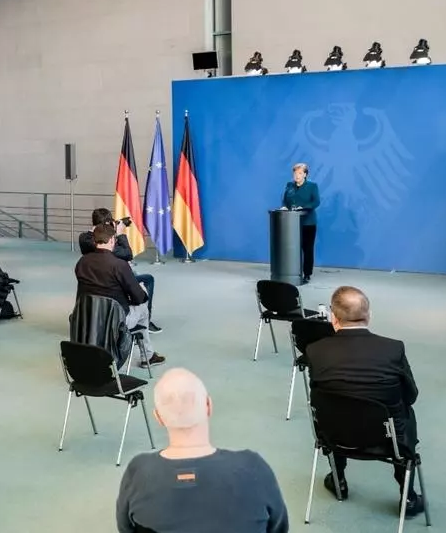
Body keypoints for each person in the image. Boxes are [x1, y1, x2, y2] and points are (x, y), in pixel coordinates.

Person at [116, 368, 289, 533]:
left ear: (159, 417)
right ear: (208, 405)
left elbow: (126, 528)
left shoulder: (138, 472)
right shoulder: (254, 468)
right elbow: (278, 528)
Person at [304, 286, 424, 518]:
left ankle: (338, 479)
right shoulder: (393, 348)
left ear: (333, 317)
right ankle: (408, 497)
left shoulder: (315, 350)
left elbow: (316, 393)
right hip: (389, 439)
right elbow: (411, 396)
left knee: (335, 407)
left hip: (335, 435)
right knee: (402, 413)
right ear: (368, 315)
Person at [75, 223, 164, 367]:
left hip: (89, 317)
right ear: (111, 240)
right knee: (143, 309)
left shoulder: (81, 262)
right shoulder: (118, 265)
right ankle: (147, 356)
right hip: (116, 320)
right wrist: (142, 294)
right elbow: (138, 297)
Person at [79, 208, 161, 333]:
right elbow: (127, 254)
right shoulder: (104, 243)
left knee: (134, 274)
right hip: (111, 277)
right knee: (147, 280)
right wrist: (121, 234)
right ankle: (145, 323)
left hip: (94, 276)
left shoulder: (84, 240)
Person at [281, 162, 320, 283]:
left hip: (307, 223)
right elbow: (285, 200)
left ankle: (307, 274)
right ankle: (291, 272)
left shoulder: (312, 186)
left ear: (305, 174)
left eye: (299, 173)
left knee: (307, 249)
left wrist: (303, 207)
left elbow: (316, 202)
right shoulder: (289, 185)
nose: (297, 176)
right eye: (295, 173)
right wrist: (285, 207)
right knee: (292, 248)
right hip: (291, 223)